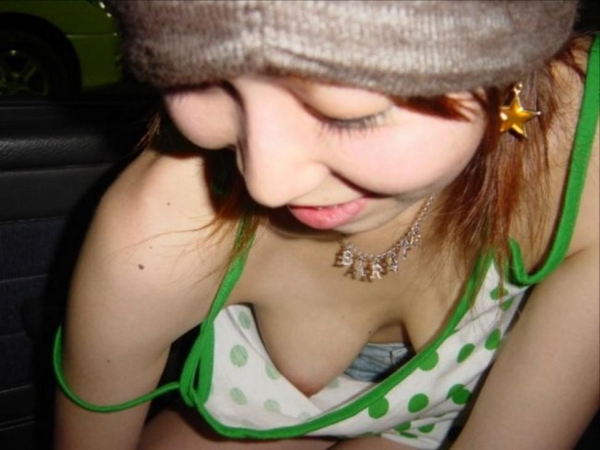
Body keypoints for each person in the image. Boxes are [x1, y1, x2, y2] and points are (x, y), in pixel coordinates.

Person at [53, 1, 599, 449]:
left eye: (350, 114)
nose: (266, 184)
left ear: (512, 63)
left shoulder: (583, 147)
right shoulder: (157, 234)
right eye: (203, 79)